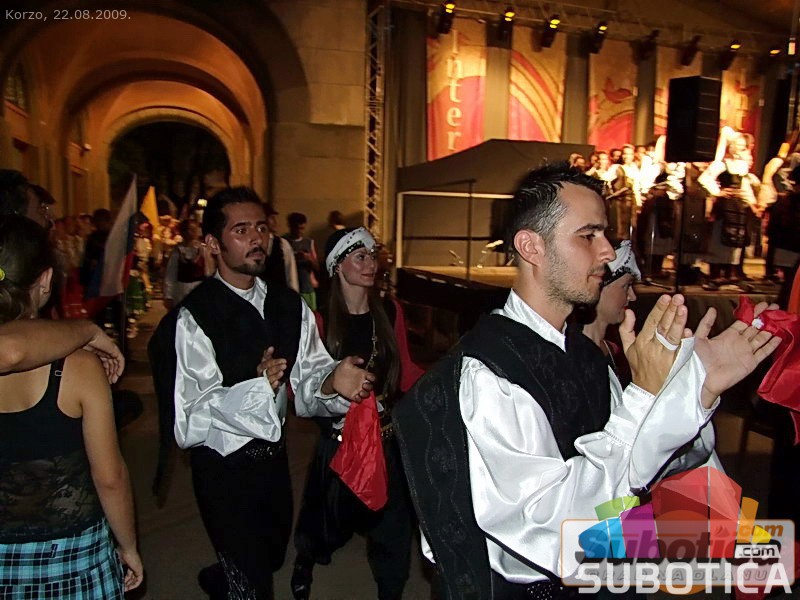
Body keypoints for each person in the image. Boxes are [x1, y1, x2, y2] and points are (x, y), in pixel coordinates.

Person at [393, 162, 782, 599]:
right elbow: (557, 530)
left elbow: (644, 471)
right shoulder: (489, 375)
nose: (608, 253)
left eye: (605, 235)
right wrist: (646, 395)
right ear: (531, 247)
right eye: (588, 235)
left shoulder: (584, 354)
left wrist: (695, 389)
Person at [148, 186, 375, 600]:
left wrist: (331, 381)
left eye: (261, 228)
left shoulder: (290, 306)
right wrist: (255, 389)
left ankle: (221, 577)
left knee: (270, 556)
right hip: (222, 472)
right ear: (213, 244)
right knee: (252, 584)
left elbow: (310, 374)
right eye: (241, 230)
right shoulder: (195, 317)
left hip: (272, 464)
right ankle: (234, 578)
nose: (256, 238)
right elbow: (188, 420)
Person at [0, 215, 142, 598]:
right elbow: (109, 476)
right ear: (45, 280)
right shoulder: (78, 367)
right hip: (72, 559)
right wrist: (128, 546)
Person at [291, 227, 424, 600]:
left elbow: (406, 371)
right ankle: (305, 559)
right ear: (338, 265)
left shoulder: (390, 311)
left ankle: (389, 591)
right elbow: (300, 390)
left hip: (385, 441)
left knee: (393, 529)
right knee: (325, 522)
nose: (371, 264)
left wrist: (445, 382)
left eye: (372, 255)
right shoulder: (318, 322)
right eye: (360, 256)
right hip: (339, 442)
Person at [578, 240, 640, 389]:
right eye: (626, 286)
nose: (632, 296)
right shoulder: (575, 357)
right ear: (598, 287)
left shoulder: (614, 351)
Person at [284, 212, 320, 310]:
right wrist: (293, 257)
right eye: (296, 228)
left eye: (302, 228)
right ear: (290, 226)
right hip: (289, 288)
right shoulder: (283, 241)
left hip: (306, 287)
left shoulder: (309, 242)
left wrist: (308, 258)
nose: (299, 231)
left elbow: (317, 267)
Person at [263, 203, 299, 292]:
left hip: (278, 295)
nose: (275, 221)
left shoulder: (282, 244)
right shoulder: (253, 244)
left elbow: (291, 274)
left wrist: (293, 296)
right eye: (271, 218)